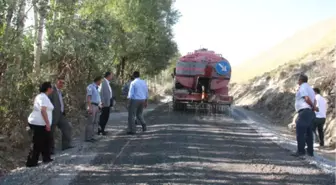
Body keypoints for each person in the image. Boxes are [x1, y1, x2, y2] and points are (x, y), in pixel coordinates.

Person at [26, 82, 54, 167]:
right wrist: (47, 123)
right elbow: (43, 110)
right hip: (38, 123)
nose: (52, 89)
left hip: (41, 123)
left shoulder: (43, 97)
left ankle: (46, 158)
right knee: (37, 142)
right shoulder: (42, 97)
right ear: (48, 89)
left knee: (46, 140)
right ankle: (31, 162)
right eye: (51, 87)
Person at [292, 74, 316, 157]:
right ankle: (310, 152)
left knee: (300, 131)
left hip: (304, 111)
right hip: (309, 112)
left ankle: (301, 151)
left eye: (298, 80)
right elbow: (314, 100)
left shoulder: (303, 87)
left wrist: (312, 106)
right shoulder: (311, 89)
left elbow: (306, 98)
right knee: (309, 133)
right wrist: (313, 107)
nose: (297, 81)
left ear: (301, 80)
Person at [49, 77, 74, 154]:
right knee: (50, 132)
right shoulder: (52, 90)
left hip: (60, 114)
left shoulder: (60, 92)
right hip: (53, 115)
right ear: (56, 82)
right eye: (60, 82)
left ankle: (65, 145)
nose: (61, 84)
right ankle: (50, 150)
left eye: (63, 83)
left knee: (67, 126)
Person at [85, 76, 102, 142]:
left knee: (95, 122)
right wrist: (89, 107)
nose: (101, 82)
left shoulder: (97, 88)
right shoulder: (90, 87)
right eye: (100, 81)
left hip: (96, 106)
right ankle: (88, 138)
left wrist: (99, 105)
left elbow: (97, 98)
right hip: (92, 105)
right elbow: (89, 97)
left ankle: (92, 136)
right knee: (90, 122)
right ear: (98, 80)